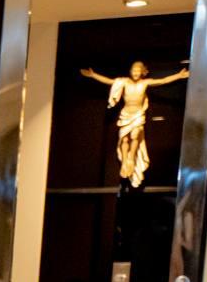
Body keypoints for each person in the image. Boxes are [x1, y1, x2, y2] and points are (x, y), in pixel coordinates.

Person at [80, 61, 189, 189]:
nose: (135, 73)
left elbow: (163, 81)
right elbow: (109, 81)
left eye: (138, 70)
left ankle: (131, 157)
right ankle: (125, 161)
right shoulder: (124, 82)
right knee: (125, 139)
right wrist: (93, 75)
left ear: (142, 72)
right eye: (133, 70)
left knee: (135, 135)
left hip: (138, 114)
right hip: (126, 114)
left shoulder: (145, 83)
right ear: (130, 71)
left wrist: (179, 76)